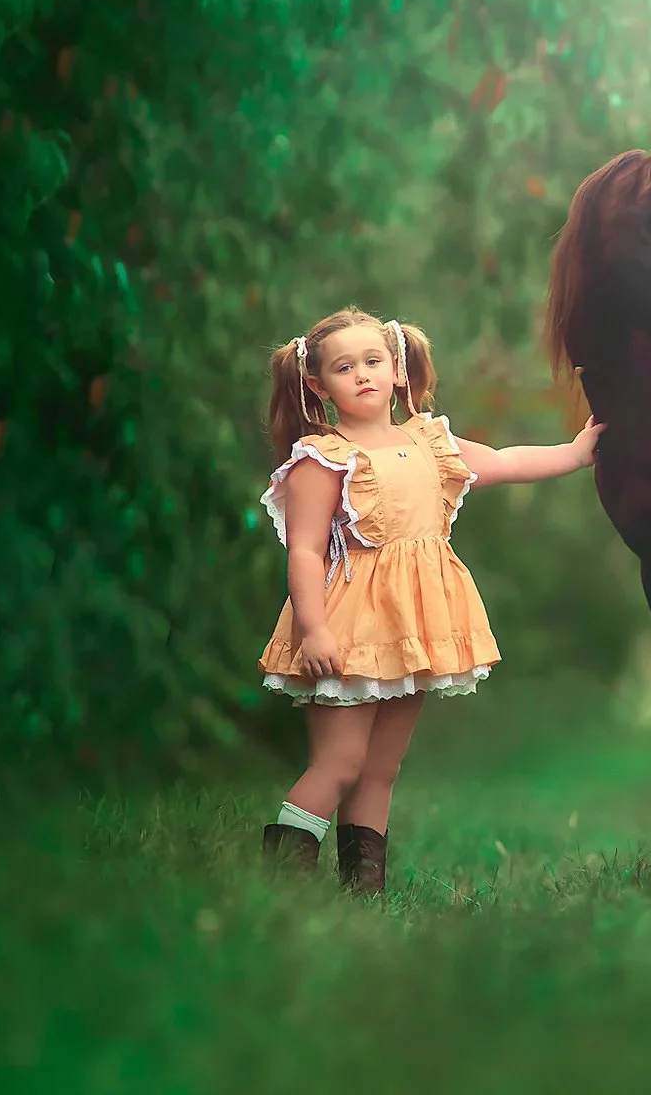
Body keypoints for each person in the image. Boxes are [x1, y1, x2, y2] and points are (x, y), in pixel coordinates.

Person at [254, 306, 602, 894]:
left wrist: (575, 450)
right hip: (349, 626)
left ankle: (362, 893)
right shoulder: (325, 458)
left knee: (380, 771)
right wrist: (313, 627)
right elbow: (307, 552)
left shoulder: (427, 440)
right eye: (344, 367)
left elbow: (504, 461)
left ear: (397, 368)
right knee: (339, 764)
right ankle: (278, 891)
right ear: (317, 385)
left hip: (411, 626)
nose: (362, 375)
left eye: (373, 361)